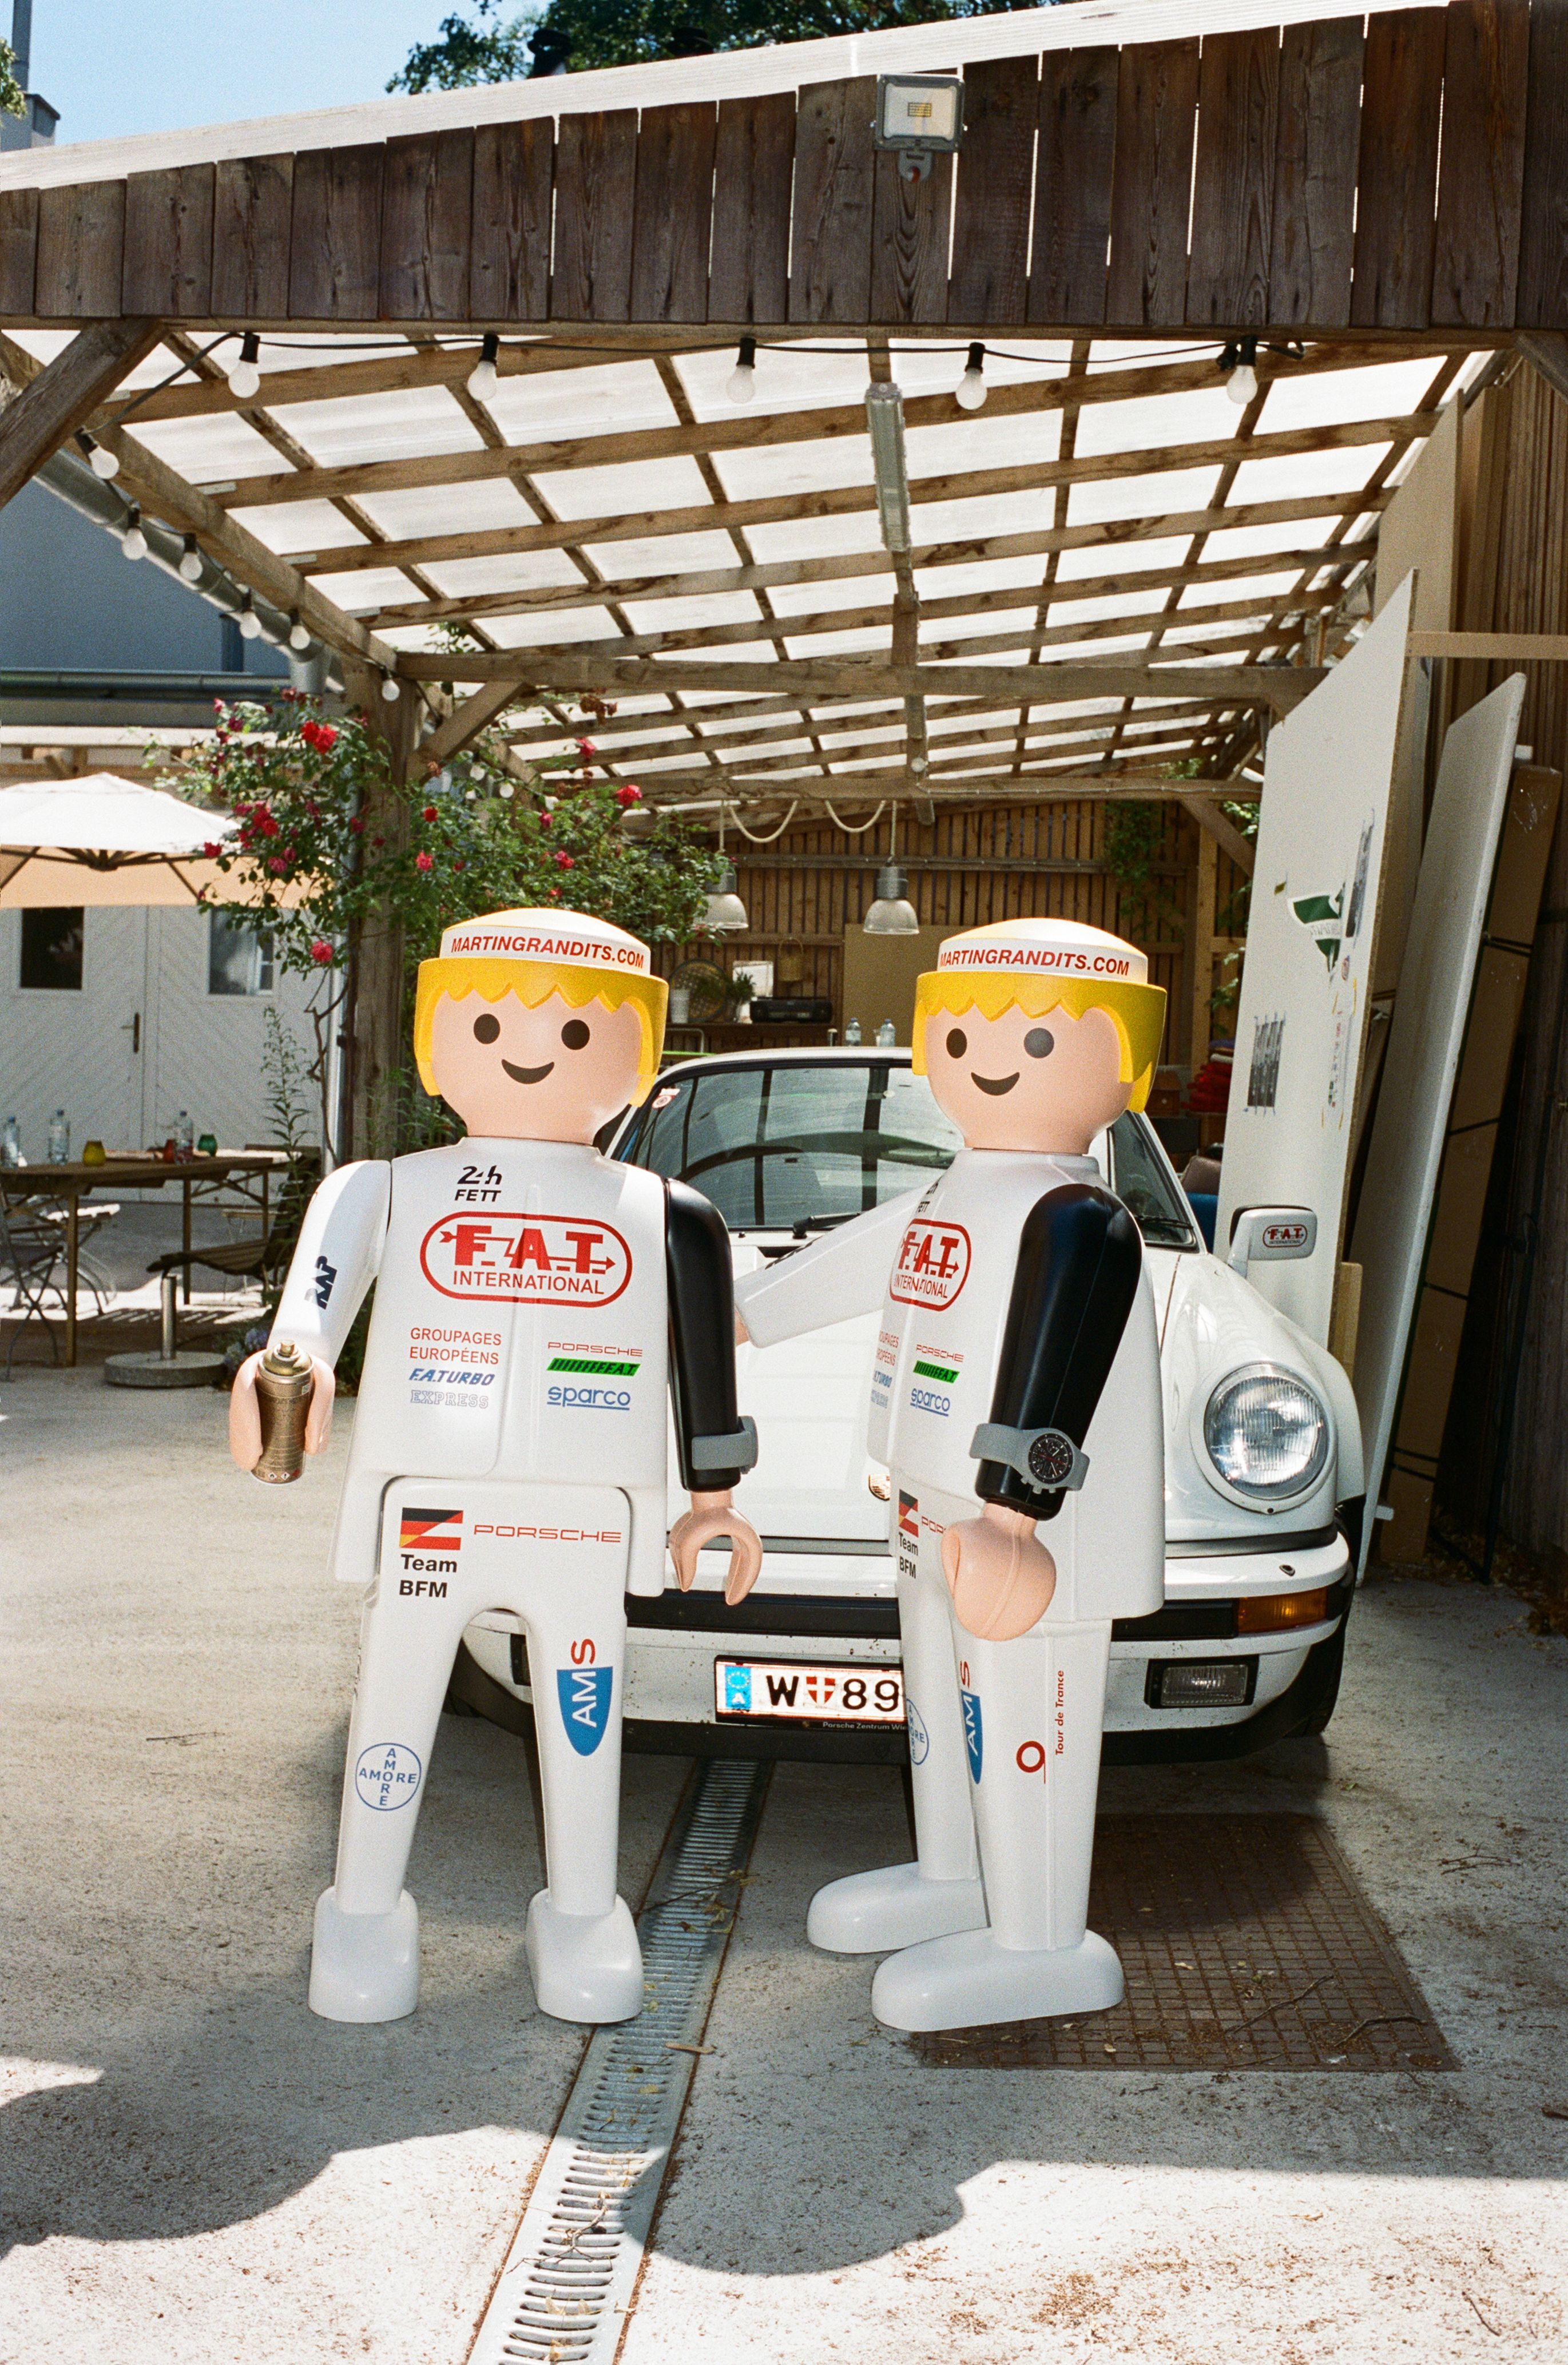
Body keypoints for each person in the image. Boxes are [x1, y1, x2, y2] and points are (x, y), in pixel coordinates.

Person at [229, 909, 762, 2026]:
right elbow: (313, 1305)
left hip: (583, 1517)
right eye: (490, 1020)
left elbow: (709, 1360)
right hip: (434, 1507)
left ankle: (580, 1909)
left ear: (638, 1051)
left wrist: (715, 1496)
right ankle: (365, 1906)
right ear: (439, 1037)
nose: (533, 1048)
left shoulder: (668, 1216)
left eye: (576, 1028)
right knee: (396, 1703)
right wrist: (292, 1369)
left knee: (583, 1716)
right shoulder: (388, 1186)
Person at [734, 917, 1167, 2031]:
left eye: (1034, 1042)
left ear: (1127, 1060)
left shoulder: (1080, 1218)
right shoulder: (947, 1194)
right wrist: (730, 1322)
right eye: (966, 1031)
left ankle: (1039, 1938)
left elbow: (1054, 1371)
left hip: (1024, 1533)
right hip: (928, 1505)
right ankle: (952, 1878)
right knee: (939, 1698)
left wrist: (1016, 1514)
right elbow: (832, 1272)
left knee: (1026, 1713)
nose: (990, 1057)